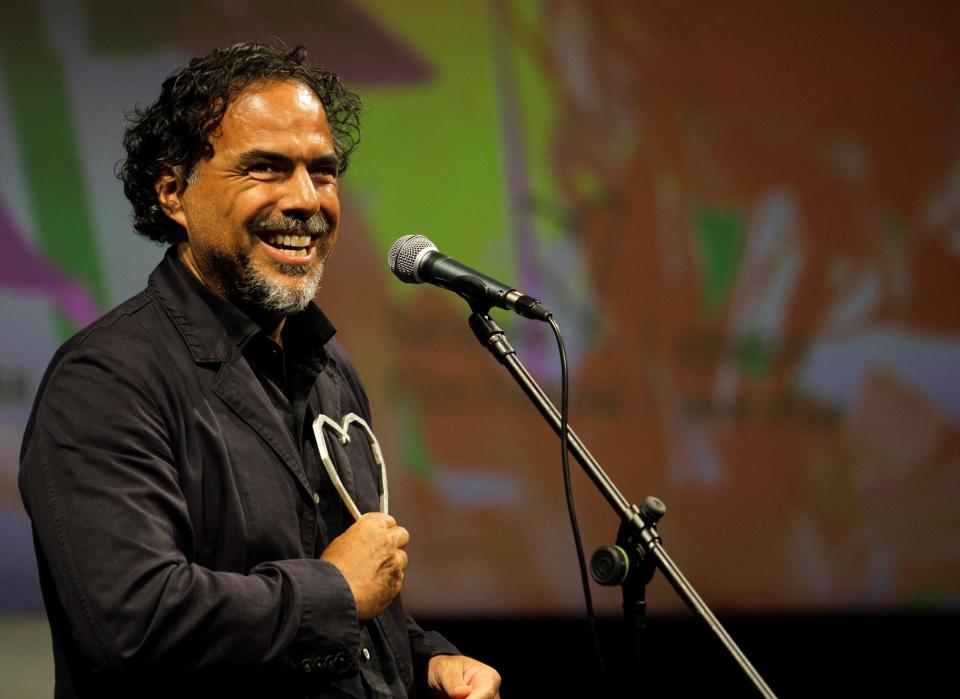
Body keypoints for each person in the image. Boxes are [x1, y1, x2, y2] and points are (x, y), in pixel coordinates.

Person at [18, 43, 501, 699]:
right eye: (266, 169)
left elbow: (350, 602)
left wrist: (425, 660)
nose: (307, 199)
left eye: (323, 172)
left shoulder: (326, 365)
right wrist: (331, 591)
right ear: (172, 192)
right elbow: (133, 622)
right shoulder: (105, 381)